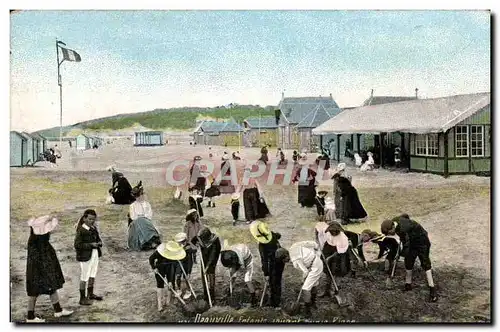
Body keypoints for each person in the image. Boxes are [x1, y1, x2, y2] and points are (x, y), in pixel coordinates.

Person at [25, 215, 73, 322]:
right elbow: (40, 256)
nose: (49, 231)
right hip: (39, 266)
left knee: (51, 286)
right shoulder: (37, 240)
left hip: (42, 264)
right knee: (34, 290)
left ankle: (58, 310)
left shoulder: (36, 236)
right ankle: (30, 316)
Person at [381, 214, 438, 302]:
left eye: (390, 232)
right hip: (411, 242)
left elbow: (407, 245)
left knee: (425, 263)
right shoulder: (395, 220)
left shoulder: (404, 229)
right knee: (408, 262)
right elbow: (405, 215)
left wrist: (400, 254)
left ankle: (432, 290)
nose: (391, 234)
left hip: (422, 242)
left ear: (392, 226)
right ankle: (408, 285)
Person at [275, 241, 323, 317]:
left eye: (284, 260)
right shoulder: (293, 247)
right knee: (313, 284)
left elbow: (306, 272)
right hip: (315, 261)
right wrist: (316, 246)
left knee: (305, 289)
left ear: (286, 255)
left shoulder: (295, 261)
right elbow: (307, 243)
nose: (285, 262)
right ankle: (313, 303)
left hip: (315, 267)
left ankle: (308, 311)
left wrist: (303, 280)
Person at [250, 221, 283, 309]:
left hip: (274, 262)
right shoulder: (271, 234)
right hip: (281, 259)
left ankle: (275, 304)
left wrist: (266, 273)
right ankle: (275, 299)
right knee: (277, 281)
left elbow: (264, 260)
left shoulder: (262, 245)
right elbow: (279, 235)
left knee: (273, 283)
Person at [74, 209, 104, 306]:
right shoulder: (81, 230)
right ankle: (82, 298)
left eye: (93, 219)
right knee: (84, 276)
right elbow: (77, 245)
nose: (92, 221)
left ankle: (90, 293)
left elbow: (98, 238)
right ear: (84, 218)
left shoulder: (93, 228)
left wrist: (99, 243)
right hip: (85, 256)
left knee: (93, 274)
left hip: (94, 254)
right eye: (90, 219)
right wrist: (91, 245)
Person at [149, 241, 186, 311]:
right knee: (160, 285)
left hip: (169, 267)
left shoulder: (173, 254)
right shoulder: (159, 252)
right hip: (159, 268)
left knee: (170, 284)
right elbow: (151, 259)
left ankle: (168, 302)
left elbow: (173, 267)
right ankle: (160, 304)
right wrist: (154, 268)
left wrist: (170, 281)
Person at [192, 227, 222, 304]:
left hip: (213, 256)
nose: (201, 240)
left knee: (210, 271)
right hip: (204, 253)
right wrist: (197, 244)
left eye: (202, 240)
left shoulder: (215, 242)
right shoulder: (200, 236)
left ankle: (212, 294)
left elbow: (212, 257)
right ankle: (206, 293)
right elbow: (193, 240)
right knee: (203, 273)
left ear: (207, 238)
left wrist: (207, 267)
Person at [174, 232, 195, 300]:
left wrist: (189, 272)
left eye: (181, 242)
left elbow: (190, 262)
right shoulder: (177, 247)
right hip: (179, 264)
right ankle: (179, 290)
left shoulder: (189, 249)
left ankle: (188, 291)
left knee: (186, 278)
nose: (179, 244)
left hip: (186, 265)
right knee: (178, 276)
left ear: (185, 241)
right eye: (179, 242)